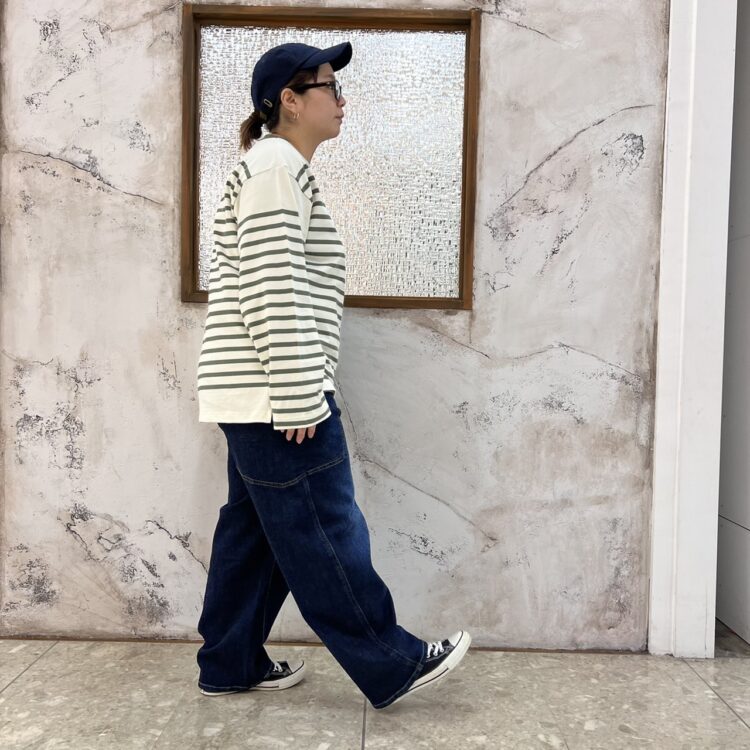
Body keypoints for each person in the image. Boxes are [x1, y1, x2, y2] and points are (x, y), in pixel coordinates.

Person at [194, 40, 471, 711]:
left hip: (253, 393)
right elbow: (272, 286)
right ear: (288, 101)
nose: (343, 100)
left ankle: (229, 661)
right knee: (323, 529)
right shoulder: (274, 168)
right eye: (329, 86)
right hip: (275, 397)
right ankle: (390, 661)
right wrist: (298, 394)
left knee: (255, 536)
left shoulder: (276, 168)